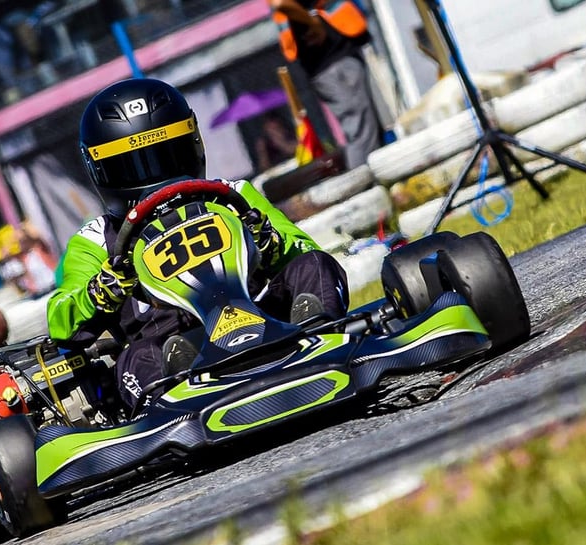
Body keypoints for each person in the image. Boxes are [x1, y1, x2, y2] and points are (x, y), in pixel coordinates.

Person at [46, 78, 349, 409]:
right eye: (132, 166)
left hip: (266, 317)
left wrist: (270, 242)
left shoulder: (233, 196)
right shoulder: (95, 241)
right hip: (171, 347)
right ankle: (171, 402)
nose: (154, 178)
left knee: (314, 265)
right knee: (137, 356)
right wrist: (99, 293)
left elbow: (302, 250)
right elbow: (60, 319)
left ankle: (322, 335)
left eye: (166, 155)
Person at [268, 0, 383, 170]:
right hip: (333, 64)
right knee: (360, 132)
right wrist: (312, 22)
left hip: (337, 57)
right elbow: (281, 3)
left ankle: (374, 183)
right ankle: (366, 186)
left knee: (366, 129)